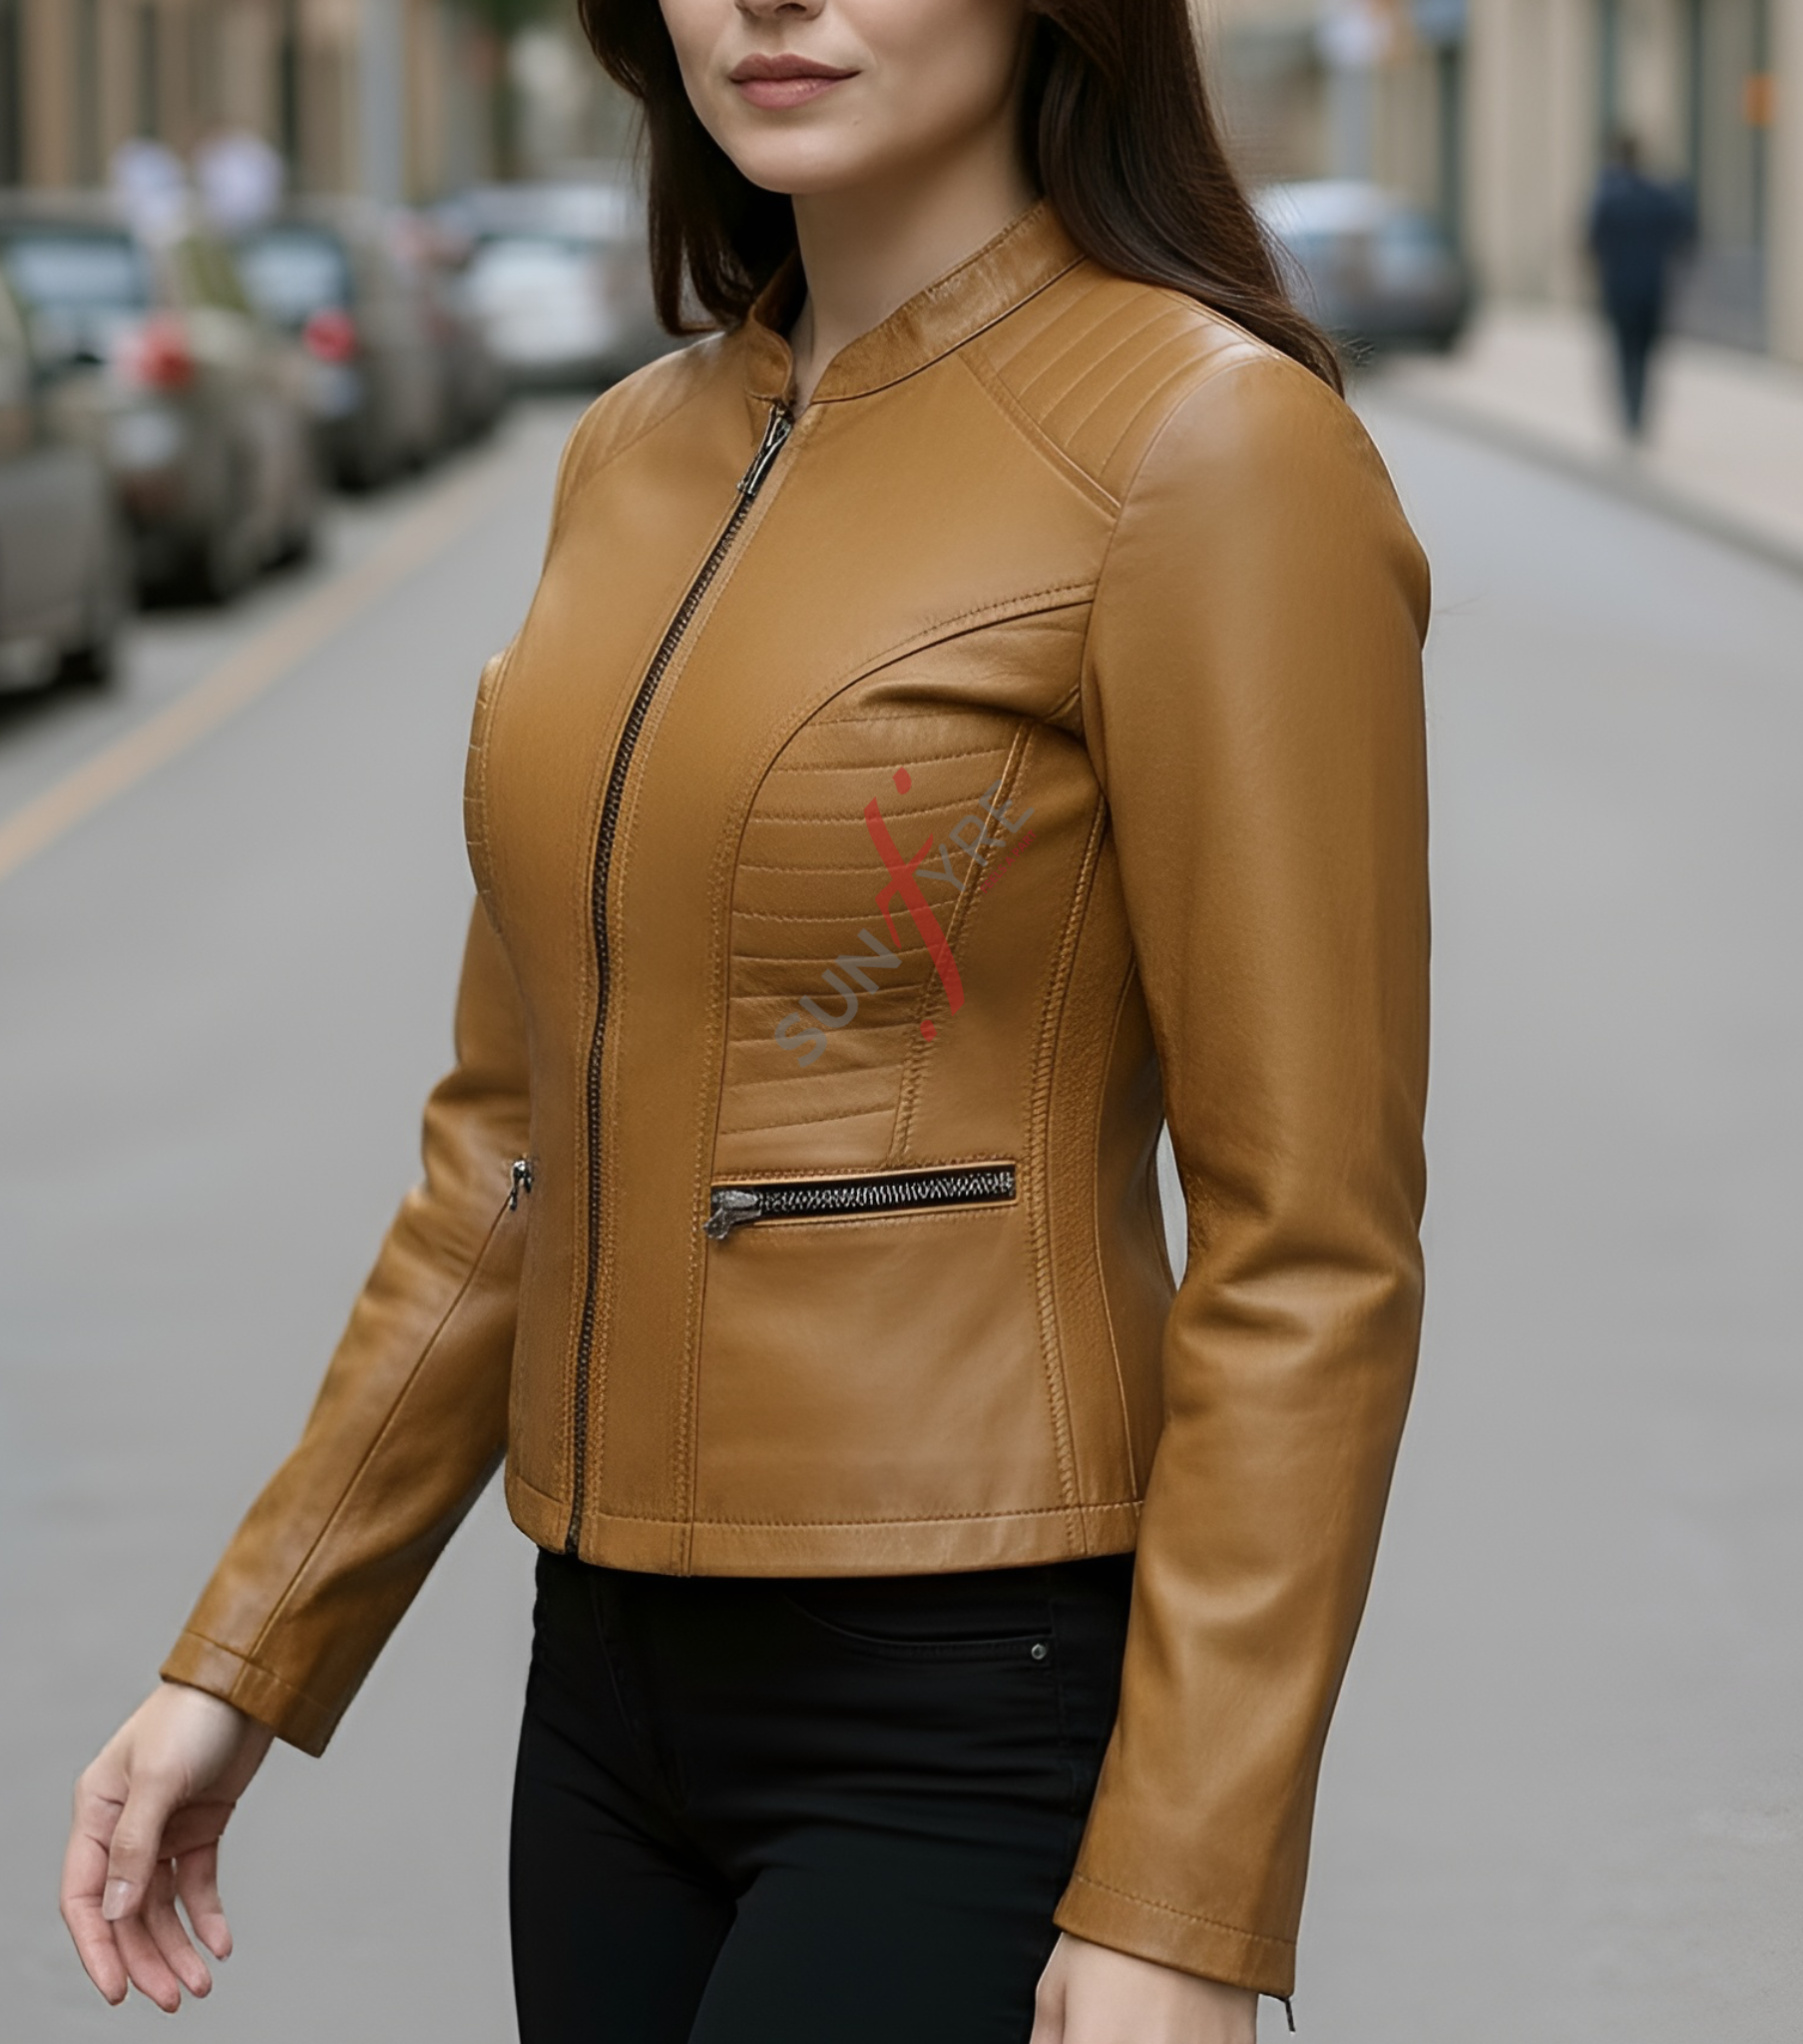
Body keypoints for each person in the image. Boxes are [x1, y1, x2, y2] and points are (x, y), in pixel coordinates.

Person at [61, 2, 1431, 2039]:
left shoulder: (1208, 443)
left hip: (967, 1692)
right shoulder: (632, 450)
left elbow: (1310, 1242)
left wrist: (1182, 1893)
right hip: (605, 1696)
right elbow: (505, 1151)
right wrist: (245, 1657)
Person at [1587, 132, 1695, 438]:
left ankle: (1631, 414)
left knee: (1625, 353)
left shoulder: (1608, 197)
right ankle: (1638, 413)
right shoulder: (1658, 195)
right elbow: (1685, 230)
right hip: (1652, 289)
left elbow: (1592, 241)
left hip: (1620, 291)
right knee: (1646, 355)